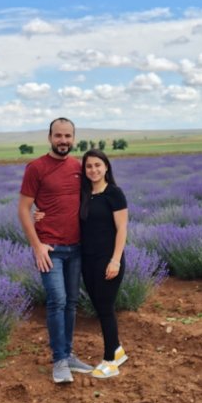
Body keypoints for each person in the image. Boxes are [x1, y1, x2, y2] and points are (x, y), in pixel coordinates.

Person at [18, 118, 95, 384]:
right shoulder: (36, 167)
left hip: (77, 248)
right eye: (58, 135)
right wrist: (37, 245)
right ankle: (59, 360)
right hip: (50, 249)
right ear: (50, 137)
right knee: (57, 301)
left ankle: (69, 354)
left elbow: (93, 198)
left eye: (68, 136)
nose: (63, 140)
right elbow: (23, 209)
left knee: (72, 303)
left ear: (74, 138)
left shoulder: (78, 167)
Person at [78, 149, 129, 379]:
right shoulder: (85, 194)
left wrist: (115, 260)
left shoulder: (114, 194)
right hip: (87, 261)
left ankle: (110, 362)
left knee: (106, 310)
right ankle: (117, 350)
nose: (94, 170)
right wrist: (41, 215)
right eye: (89, 166)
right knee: (100, 308)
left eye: (98, 165)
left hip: (108, 261)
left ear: (106, 167)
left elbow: (122, 230)